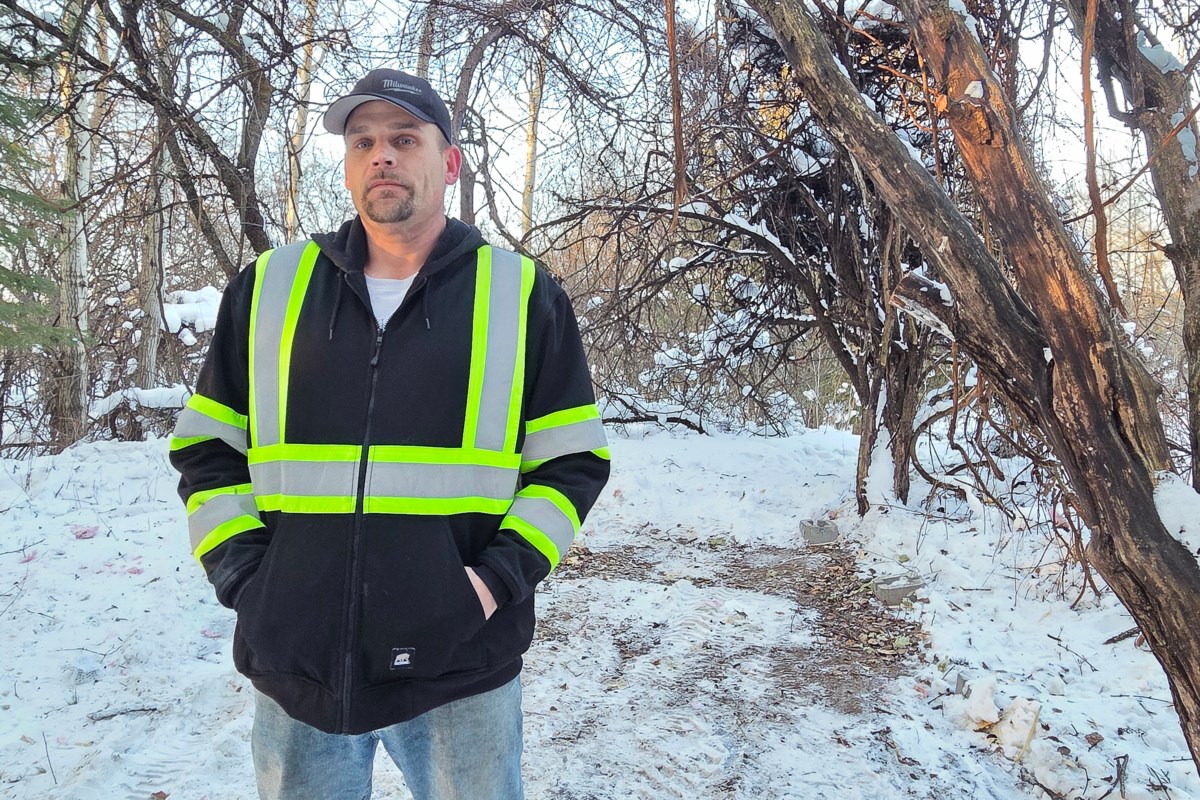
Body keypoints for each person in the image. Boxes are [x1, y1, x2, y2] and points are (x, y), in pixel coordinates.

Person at [169, 68, 610, 799]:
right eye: (363, 142)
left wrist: (491, 585)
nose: (382, 155)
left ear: (450, 163)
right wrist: (247, 580)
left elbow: (572, 463)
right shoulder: (270, 287)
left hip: (459, 664)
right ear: (348, 167)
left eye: (405, 139)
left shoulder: (522, 294)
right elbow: (207, 449)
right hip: (299, 664)